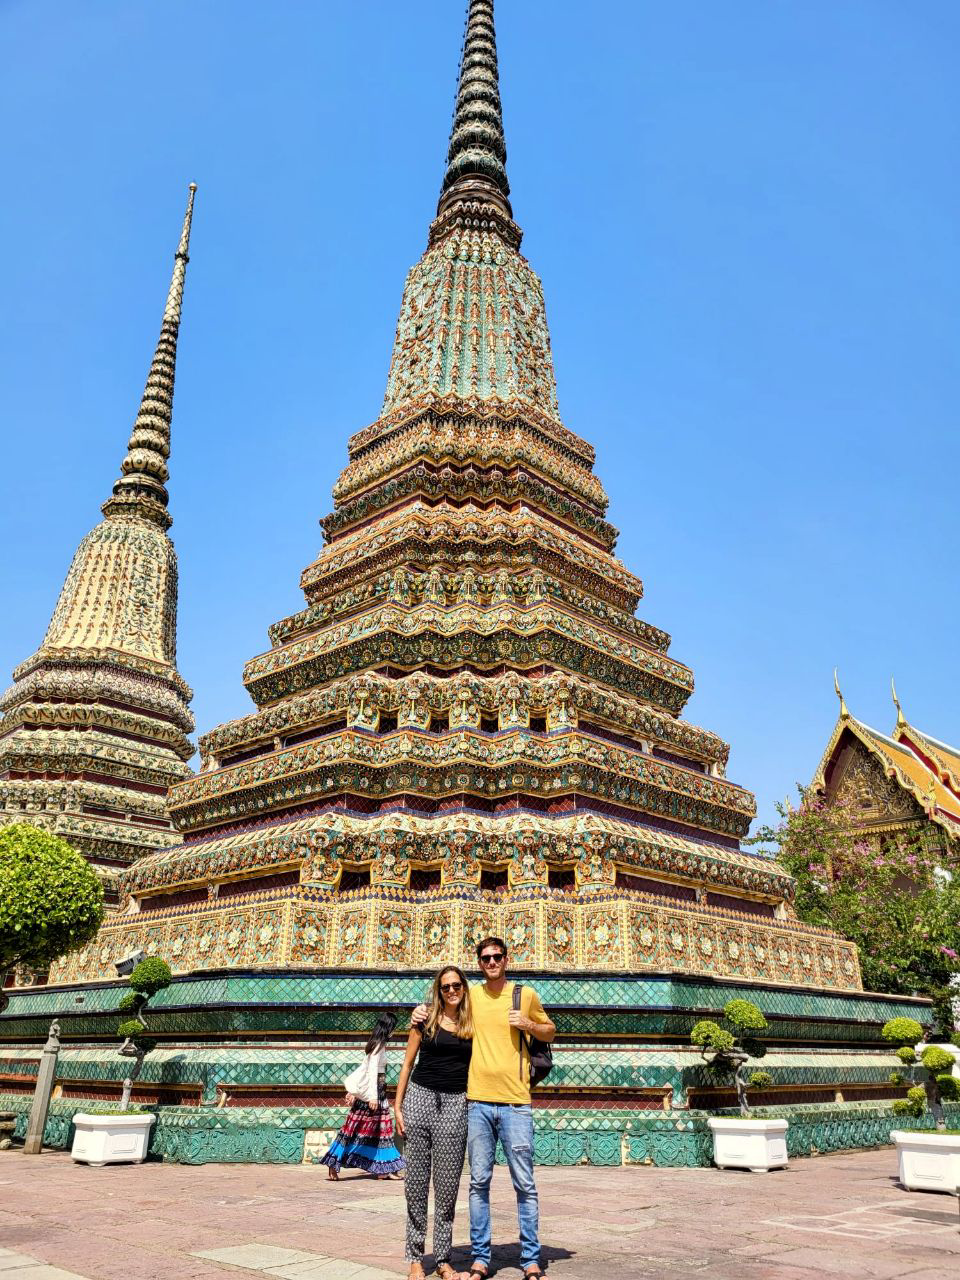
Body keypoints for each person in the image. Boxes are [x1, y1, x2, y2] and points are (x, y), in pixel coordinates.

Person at [413, 937, 555, 1280]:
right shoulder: (472, 997)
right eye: (486, 958)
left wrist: (530, 1025)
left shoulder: (526, 995)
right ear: (479, 963)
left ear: (506, 959)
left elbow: (550, 1031)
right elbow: (445, 1009)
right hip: (476, 1102)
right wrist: (419, 1012)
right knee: (479, 1182)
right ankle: (480, 1257)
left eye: (496, 957)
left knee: (525, 1183)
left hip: (516, 1103)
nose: (491, 962)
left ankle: (531, 1258)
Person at [394, 966, 474, 1280]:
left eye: (456, 986)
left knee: (447, 1188)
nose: (451, 991)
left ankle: (442, 1259)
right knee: (415, 1186)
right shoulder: (424, 1019)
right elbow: (408, 1062)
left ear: (464, 988)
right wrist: (397, 1106)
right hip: (420, 1098)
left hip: (456, 1103)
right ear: (439, 991)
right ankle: (416, 1257)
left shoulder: (473, 1023)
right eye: (445, 987)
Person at [320, 1009, 405, 1181]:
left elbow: (363, 1070)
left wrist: (355, 1090)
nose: (395, 1031)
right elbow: (371, 1072)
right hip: (374, 1096)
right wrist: (372, 1096)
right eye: (394, 1027)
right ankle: (334, 1162)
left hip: (375, 1093)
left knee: (380, 1132)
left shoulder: (376, 1044)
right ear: (389, 1028)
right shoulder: (378, 1046)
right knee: (356, 1131)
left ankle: (383, 1169)